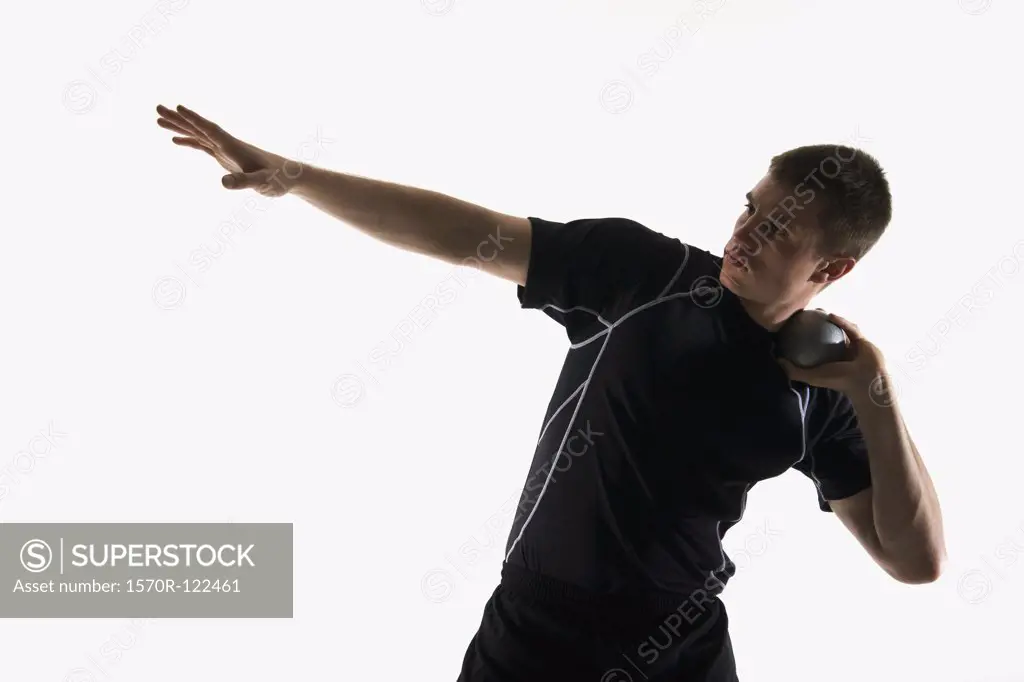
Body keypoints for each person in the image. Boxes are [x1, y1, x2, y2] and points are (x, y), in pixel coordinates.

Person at [156, 103, 946, 681]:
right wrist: (294, 177)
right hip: (539, 630)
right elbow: (464, 233)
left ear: (832, 271)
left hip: (682, 646)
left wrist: (875, 395)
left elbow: (914, 561)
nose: (744, 233)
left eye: (776, 231)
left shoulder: (826, 388)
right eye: (751, 208)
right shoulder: (648, 275)